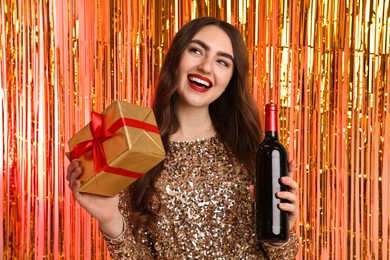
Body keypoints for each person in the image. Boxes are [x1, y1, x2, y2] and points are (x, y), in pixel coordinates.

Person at [67, 16, 299, 259]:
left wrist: (283, 231)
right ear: (176, 57)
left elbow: (282, 256)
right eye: (197, 50)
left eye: (222, 62)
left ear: (232, 79)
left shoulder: (253, 151)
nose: (206, 67)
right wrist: (110, 220)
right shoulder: (137, 149)